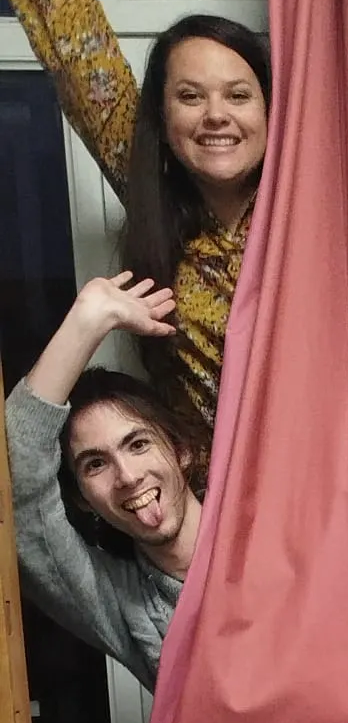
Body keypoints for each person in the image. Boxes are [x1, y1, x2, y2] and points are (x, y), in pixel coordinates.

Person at [0, 0, 270, 429]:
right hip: (201, 488)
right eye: (190, 96)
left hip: (334, 477)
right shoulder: (160, 199)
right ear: (163, 119)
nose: (216, 115)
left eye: (238, 95)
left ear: (271, 110)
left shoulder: (312, 207)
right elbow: (73, 30)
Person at [4, 273, 206, 689]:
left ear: (182, 449)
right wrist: (87, 320)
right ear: (82, 498)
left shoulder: (268, 530)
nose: (128, 477)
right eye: (96, 464)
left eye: (138, 444)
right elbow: (17, 483)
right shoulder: (119, 601)